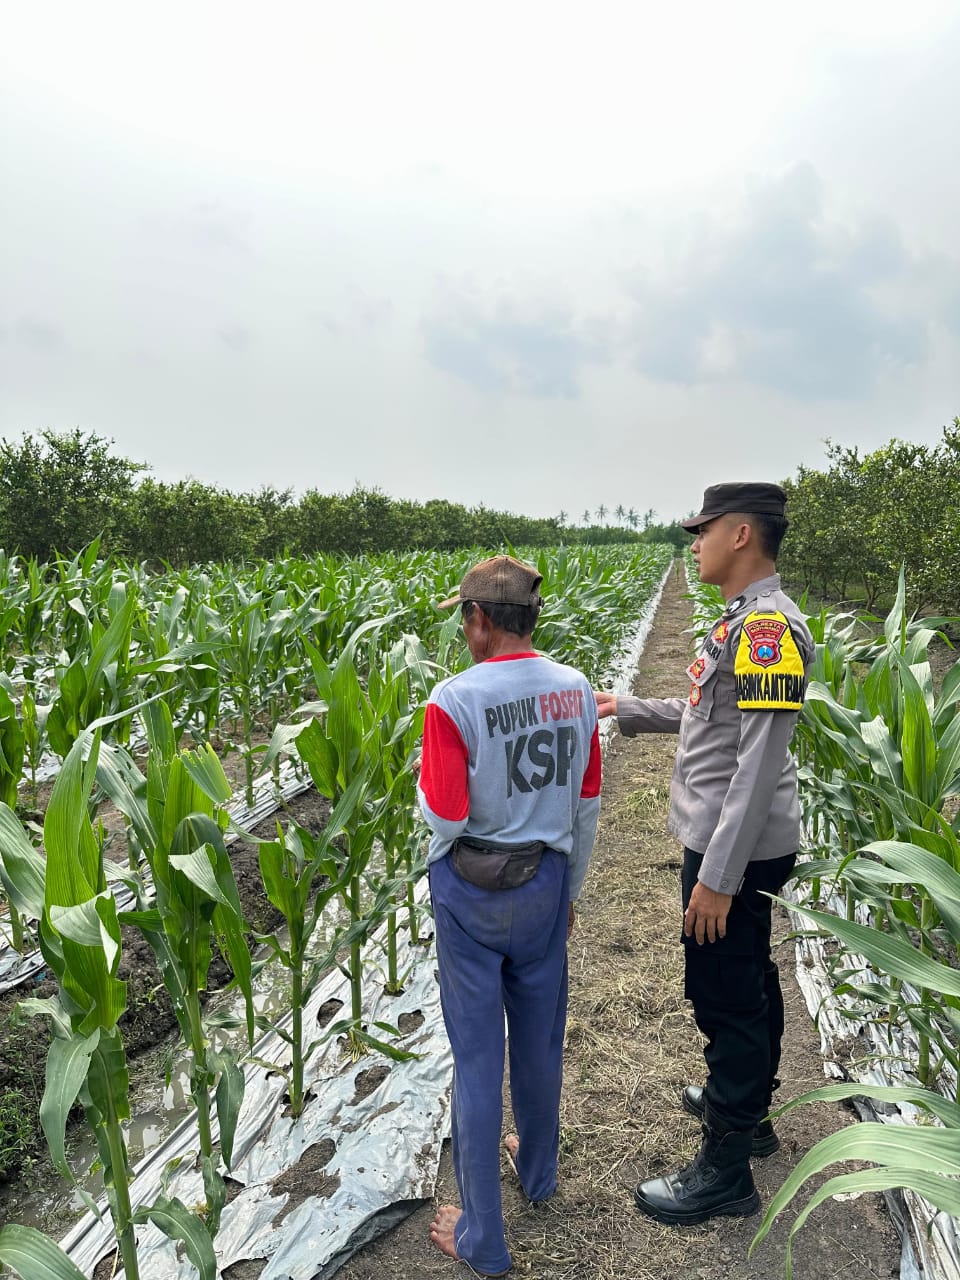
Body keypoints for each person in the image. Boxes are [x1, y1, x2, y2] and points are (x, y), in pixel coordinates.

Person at [595, 482, 814, 1227]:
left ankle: (725, 1172)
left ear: (741, 534)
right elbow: (708, 717)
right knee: (748, 976)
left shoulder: (768, 629)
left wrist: (718, 878)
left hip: (735, 849)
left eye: (704, 531)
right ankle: (749, 1116)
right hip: (733, 842)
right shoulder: (744, 621)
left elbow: (757, 762)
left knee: (726, 994)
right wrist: (625, 706)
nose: (695, 544)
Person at [418, 554, 602, 1276]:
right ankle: (538, 1170)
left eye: (464, 619)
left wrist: (423, 796)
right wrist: (570, 891)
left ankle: (483, 1240)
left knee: (475, 1061)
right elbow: (585, 802)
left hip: (471, 895)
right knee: (538, 1040)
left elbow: (446, 815)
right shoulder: (576, 688)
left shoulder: (452, 700)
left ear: (479, 619)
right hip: (545, 882)